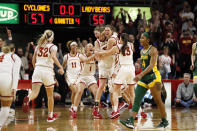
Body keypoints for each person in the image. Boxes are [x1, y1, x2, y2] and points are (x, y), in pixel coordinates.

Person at [120, 32, 169, 129]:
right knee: (137, 99)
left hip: (153, 77)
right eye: (140, 38)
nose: (140, 40)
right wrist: (140, 74)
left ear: (148, 40)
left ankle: (164, 121)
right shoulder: (142, 51)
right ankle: (131, 121)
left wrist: (140, 74)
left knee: (158, 100)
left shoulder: (153, 50)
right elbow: (144, 65)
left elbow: (151, 66)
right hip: (144, 77)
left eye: (142, 38)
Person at [22, 30, 64, 122]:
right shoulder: (53, 46)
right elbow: (53, 57)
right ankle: (50, 116)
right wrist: (60, 67)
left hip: (37, 70)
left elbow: (33, 60)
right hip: (47, 71)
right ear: (52, 37)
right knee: (50, 95)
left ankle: (28, 98)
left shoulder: (38, 46)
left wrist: (36, 68)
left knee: (34, 93)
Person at [95, 33, 136, 119]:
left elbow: (107, 53)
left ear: (120, 39)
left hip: (122, 68)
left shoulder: (117, 47)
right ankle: (136, 113)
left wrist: (98, 51)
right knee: (132, 92)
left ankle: (115, 111)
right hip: (131, 68)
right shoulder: (131, 45)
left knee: (114, 90)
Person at [70, 43, 98, 118]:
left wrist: (99, 51)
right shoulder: (81, 55)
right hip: (82, 76)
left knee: (96, 92)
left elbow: (100, 58)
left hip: (90, 76)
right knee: (79, 91)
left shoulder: (95, 56)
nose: (91, 47)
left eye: (92, 46)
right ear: (85, 49)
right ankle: (74, 109)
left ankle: (96, 109)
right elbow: (86, 60)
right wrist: (95, 54)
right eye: (89, 46)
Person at [0, 44, 21, 129]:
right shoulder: (15, 57)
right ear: (14, 49)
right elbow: (15, 74)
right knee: (6, 107)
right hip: (6, 79)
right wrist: (14, 88)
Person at [62, 41, 81, 110]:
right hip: (69, 76)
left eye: (75, 45)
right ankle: (74, 106)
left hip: (78, 76)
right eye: (73, 45)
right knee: (75, 91)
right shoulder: (66, 56)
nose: (74, 47)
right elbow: (63, 66)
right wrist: (61, 70)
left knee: (75, 92)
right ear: (70, 47)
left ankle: (73, 106)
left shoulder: (79, 55)